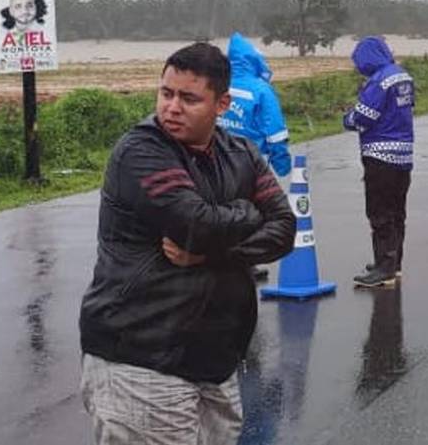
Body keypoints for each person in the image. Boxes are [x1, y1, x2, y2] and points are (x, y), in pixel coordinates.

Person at [79, 42, 295, 444]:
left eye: (189, 98)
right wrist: (249, 212)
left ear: (222, 104)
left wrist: (213, 254)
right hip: (142, 360)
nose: (172, 107)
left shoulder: (240, 152)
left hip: (215, 362)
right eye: (166, 93)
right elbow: (196, 225)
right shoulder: (142, 151)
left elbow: (284, 228)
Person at [218, 32, 293, 280]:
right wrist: (281, 162)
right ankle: (244, 262)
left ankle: (219, 259)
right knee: (248, 213)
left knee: (220, 211)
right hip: (249, 161)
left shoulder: (218, 85)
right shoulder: (261, 89)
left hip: (214, 159)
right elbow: (275, 130)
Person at [343, 36, 415, 288]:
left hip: (380, 154)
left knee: (380, 212)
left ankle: (384, 269)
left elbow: (364, 117)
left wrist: (347, 118)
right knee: (397, 211)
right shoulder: (403, 76)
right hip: (404, 154)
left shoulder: (379, 81)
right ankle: (393, 263)